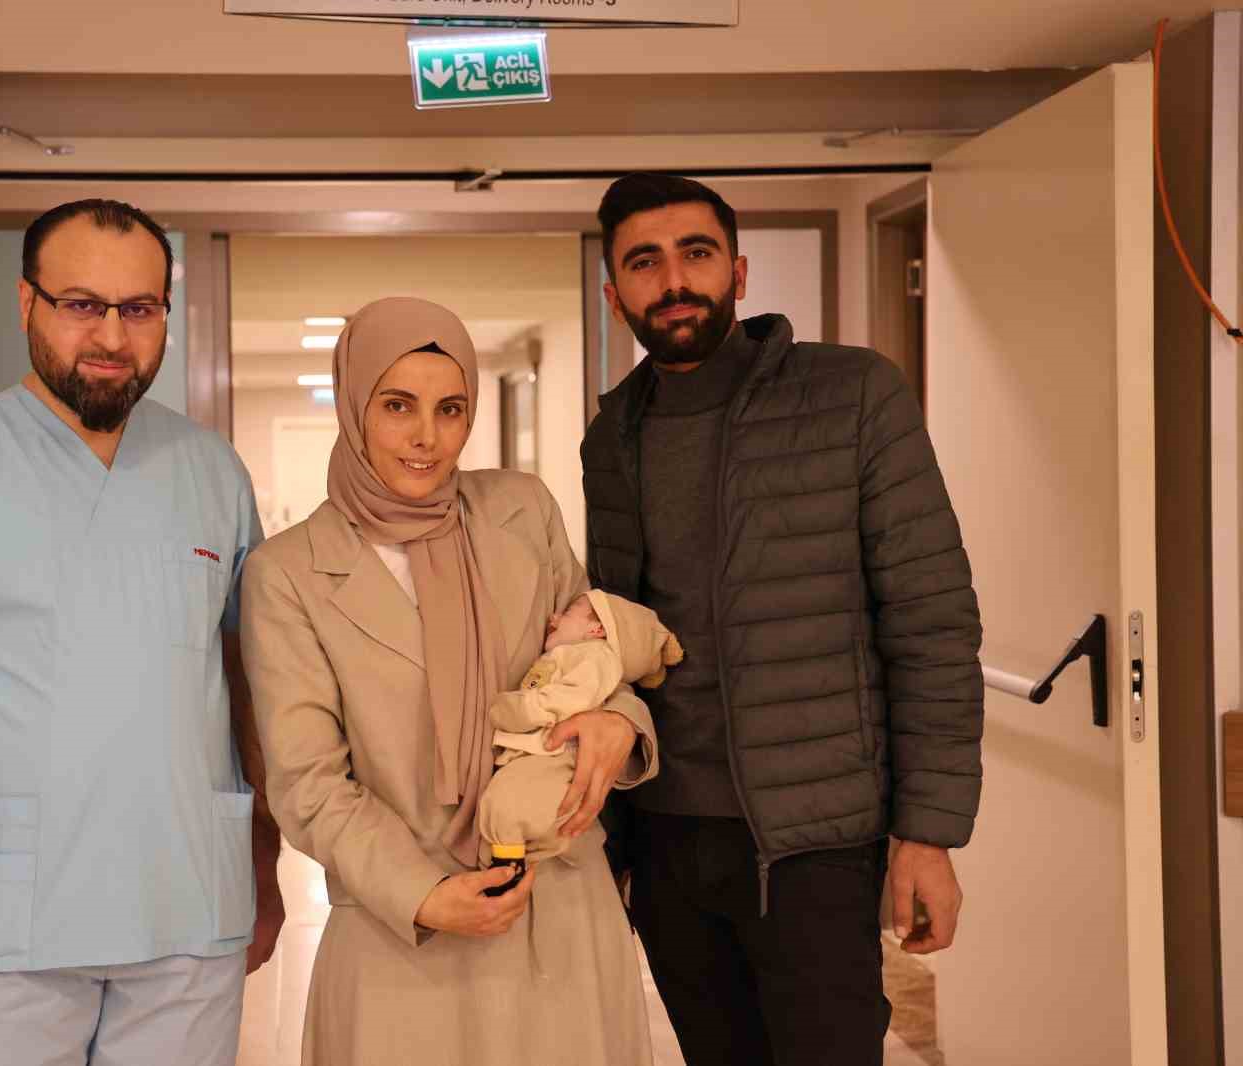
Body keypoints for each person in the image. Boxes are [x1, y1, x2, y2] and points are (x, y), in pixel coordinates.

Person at [0, 198, 283, 1066]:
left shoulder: (213, 473)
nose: (111, 335)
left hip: (191, 913)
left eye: (139, 308)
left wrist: (261, 867)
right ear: (26, 303)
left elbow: (246, 690)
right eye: (81, 304)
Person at [583, 173, 984, 1066]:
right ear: (615, 296)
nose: (674, 280)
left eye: (696, 253)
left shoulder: (853, 395)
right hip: (669, 840)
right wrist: (613, 843)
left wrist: (928, 834)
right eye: (644, 262)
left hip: (817, 845)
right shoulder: (611, 437)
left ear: (738, 271)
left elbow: (931, 623)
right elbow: (619, 645)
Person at [240, 297, 659, 1066]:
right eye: (397, 405)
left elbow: (590, 662)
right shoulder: (287, 573)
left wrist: (621, 724)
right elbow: (306, 783)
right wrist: (424, 895)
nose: (426, 437)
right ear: (354, 406)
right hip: (403, 933)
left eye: (450, 408)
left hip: (557, 911)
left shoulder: (522, 512)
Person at [477, 590, 682, 864]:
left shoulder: (597, 656)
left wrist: (522, 709)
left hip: (557, 752)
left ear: (596, 629)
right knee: (515, 805)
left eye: (568, 612)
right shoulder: (579, 655)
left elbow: (572, 697)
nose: (554, 618)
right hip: (547, 752)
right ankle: (519, 859)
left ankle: (509, 867)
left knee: (508, 804)